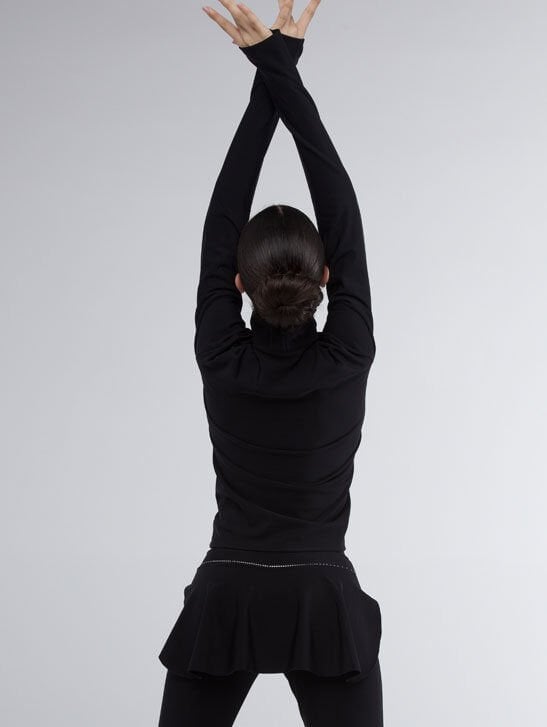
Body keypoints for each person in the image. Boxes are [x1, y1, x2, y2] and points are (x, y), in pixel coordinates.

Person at [157, 2, 383, 725]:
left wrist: (276, 65)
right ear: (328, 280)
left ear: (235, 283)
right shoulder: (347, 354)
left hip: (229, 589)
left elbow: (225, 214)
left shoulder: (221, 356)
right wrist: (278, 67)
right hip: (322, 595)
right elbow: (341, 211)